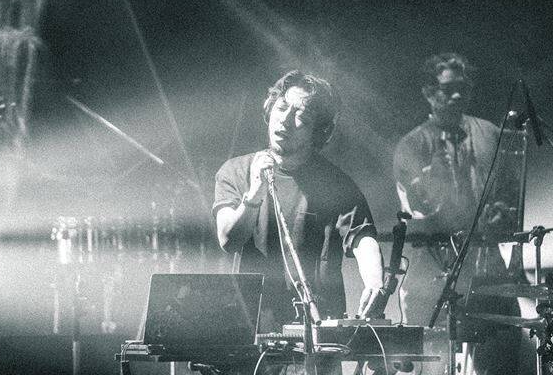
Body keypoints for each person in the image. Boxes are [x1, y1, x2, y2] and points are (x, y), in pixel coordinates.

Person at [213, 70, 384, 337]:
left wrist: (374, 281)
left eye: (301, 117)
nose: (285, 120)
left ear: (319, 131)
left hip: (318, 325)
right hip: (251, 324)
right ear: (270, 109)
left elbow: (362, 237)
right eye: (281, 108)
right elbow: (228, 240)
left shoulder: (335, 183)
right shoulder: (236, 171)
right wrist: (255, 192)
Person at [393, 53, 522, 375]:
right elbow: (414, 213)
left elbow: (509, 193)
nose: (456, 96)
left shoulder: (490, 133)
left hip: (486, 266)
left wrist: (502, 213)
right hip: (432, 270)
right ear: (428, 92)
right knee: (431, 363)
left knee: (501, 355)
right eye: (447, 88)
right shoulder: (412, 144)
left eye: (463, 88)